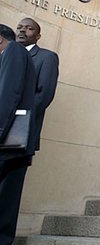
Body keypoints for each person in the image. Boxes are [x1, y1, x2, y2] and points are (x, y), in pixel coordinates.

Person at [0, 24, 37, 245]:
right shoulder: (18, 53)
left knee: (5, 200)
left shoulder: (13, 51)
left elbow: (7, 94)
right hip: (12, 143)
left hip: (7, 142)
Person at [16, 17, 59, 147]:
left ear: (38, 36)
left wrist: (18, 117)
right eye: (20, 27)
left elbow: (44, 94)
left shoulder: (46, 57)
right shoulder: (6, 55)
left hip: (20, 130)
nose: (23, 30)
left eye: (29, 28)